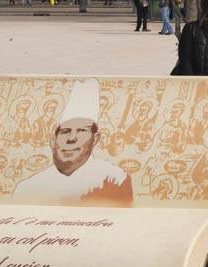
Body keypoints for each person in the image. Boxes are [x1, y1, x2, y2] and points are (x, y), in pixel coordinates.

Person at [13, 78, 134, 206]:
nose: (71, 138)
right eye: (65, 131)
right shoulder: (27, 188)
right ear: (53, 141)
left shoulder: (114, 179)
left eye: (82, 131)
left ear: (96, 139)